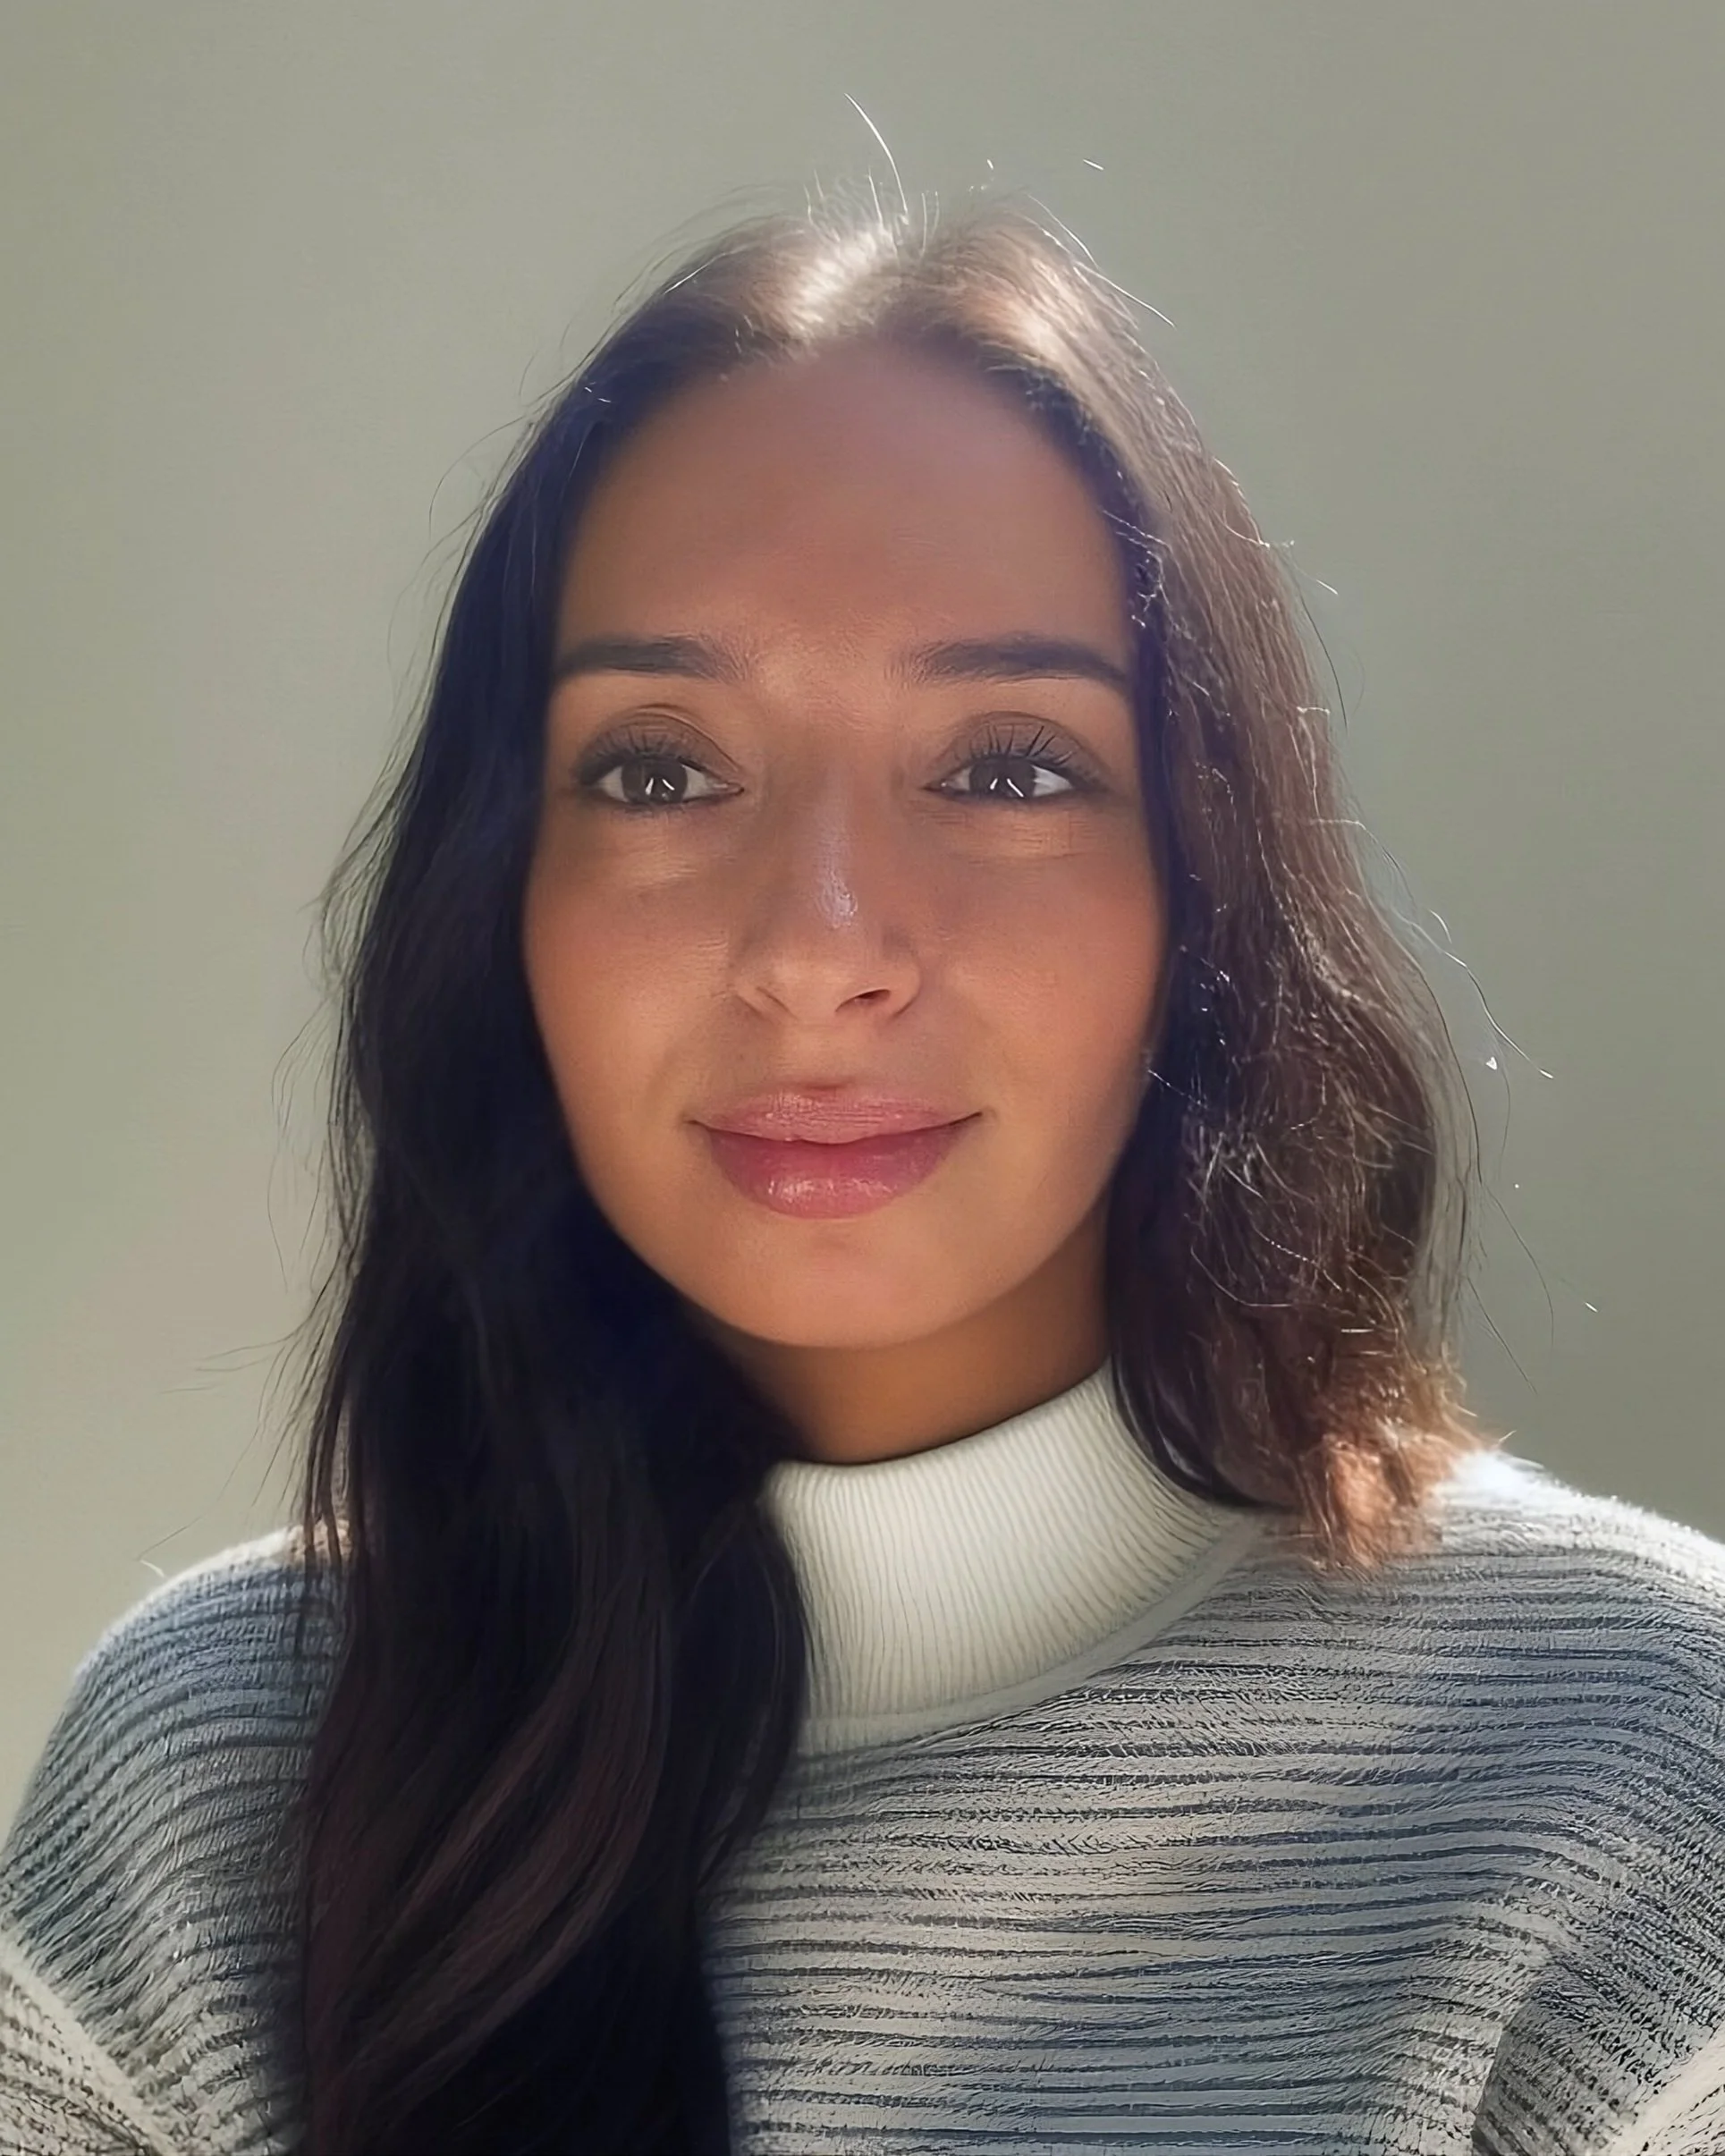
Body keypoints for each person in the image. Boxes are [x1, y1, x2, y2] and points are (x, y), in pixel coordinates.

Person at [4, 190, 1724, 2156]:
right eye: (660, 767)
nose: (820, 944)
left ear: (1202, 890)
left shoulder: (1642, 1772)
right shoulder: (212, 1790)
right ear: (503, 902)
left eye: (1004, 765)